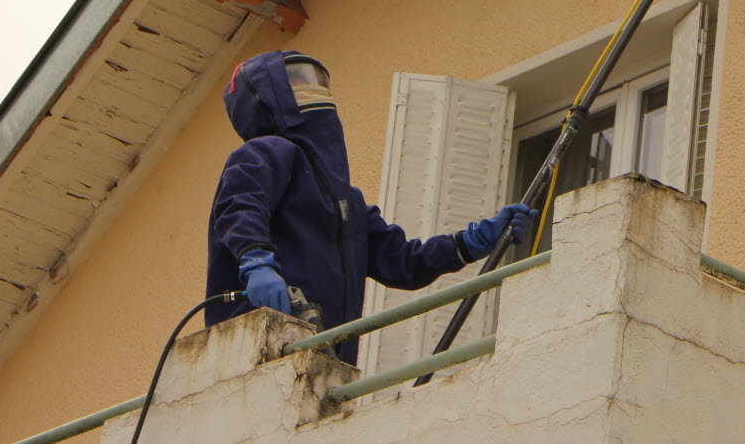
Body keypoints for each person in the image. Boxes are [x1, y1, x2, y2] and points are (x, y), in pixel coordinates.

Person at [204, 49, 535, 364]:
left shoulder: (349, 203)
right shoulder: (264, 153)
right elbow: (239, 207)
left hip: (327, 359)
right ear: (270, 98)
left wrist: (471, 242)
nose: (314, 88)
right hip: (255, 344)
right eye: (296, 81)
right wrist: (256, 262)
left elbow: (404, 263)